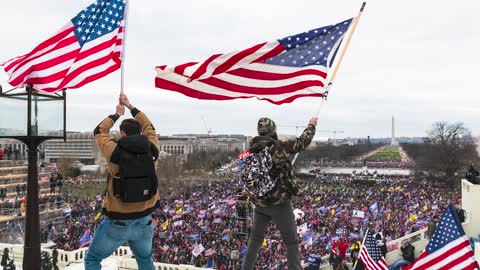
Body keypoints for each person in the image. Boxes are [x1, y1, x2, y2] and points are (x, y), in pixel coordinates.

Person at [84, 93, 160, 270]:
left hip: (118, 219)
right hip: (144, 218)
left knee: (93, 259)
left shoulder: (114, 150)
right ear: (140, 132)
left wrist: (116, 114)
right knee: (145, 259)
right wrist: (130, 106)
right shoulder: (152, 147)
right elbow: (149, 125)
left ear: (122, 133)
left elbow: (99, 131)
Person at [241, 117, 317, 270]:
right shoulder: (278, 146)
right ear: (273, 131)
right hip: (279, 203)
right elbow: (302, 143)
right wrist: (311, 126)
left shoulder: (251, 150)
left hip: (259, 203)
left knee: (255, 239)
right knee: (291, 242)